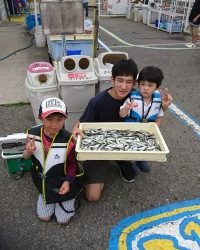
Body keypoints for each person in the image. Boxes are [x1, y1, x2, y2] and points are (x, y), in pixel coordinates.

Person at [73, 59, 172, 202]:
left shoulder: (139, 96)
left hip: (127, 141)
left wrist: (164, 106)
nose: (124, 86)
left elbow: (155, 110)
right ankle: (107, 161)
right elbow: (81, 123)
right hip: (101, 143)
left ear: (134, 83)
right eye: (120, 80)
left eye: (129, 82)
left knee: (136, 153)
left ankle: (124, 160)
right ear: (111, 80)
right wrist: (76, 127)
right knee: (92, 196)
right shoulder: (98, 101)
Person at [23, 97, 79, 224]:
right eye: (49, 119)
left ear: (65, 118)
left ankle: (71, 197)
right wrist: (28, 151)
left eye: (60, 120)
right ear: (40, 118)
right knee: (44, 217)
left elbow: (72, 164)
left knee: (62, 220)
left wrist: (68, 181)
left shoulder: (68, 139)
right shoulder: (32, 134)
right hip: (43, 181)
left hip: (62, 181)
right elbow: (25, 157)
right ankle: (45, 194)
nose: (54, 125)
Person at [119, 66, 164, 173]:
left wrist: (156, 127)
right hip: (130, 130)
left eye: (150, 85)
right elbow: (121, 115)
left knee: (144, 145)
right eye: (143, 84)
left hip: (146, 131)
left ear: (157, 87)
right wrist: (126, 108)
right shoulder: (132, 98)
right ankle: (131, 162)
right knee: (130, 146)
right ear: (138, 84)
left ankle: (141, 159)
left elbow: (160, 116)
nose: (146, 88)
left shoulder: (158, 100)